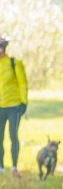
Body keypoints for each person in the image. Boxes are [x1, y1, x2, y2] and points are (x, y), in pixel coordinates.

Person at [0, 36, 28, 179]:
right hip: (0, 107)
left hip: (14, 106)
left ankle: (14, 166)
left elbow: (22, 83)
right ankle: (1, 167)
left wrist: (24, 103)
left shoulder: (14, 63)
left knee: (12, 135)